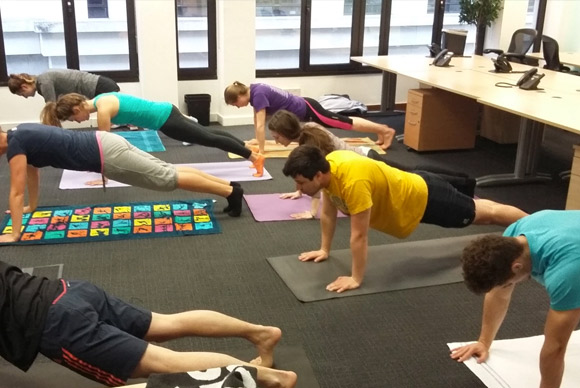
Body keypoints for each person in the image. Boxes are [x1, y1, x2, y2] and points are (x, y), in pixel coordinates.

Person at [0, 260, 297, 388]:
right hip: (67, 290)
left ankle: (274, 379)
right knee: (166, 323)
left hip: (56, 323)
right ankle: (261, 334)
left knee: (166, 363)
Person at [282, 145, 528, 293]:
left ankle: (535, 226)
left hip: (426, 199)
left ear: (317, 174)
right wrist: (324, 249)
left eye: (301, 182)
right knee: (480, 208)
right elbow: (328, 211)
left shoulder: (352, 182)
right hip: (415, 187)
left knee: (484, 216)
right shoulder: (330, 168)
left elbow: (359, 235)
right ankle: (535, 222)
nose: (299, 188)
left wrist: (356, 278)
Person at [0, 123, 245, 243]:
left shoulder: (16, 145)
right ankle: (229, 186)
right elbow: (32, 174)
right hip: (104, 140)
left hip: (107, 155)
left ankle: (229, 192)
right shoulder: (20, 133)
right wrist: (32, 207)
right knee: (167, 170)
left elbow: (15, 191)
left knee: (166, 179)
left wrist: (15, 233)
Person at [450, 210, 580, 388]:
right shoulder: (514, 237)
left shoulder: (566, 272)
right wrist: (484, 342)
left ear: (517, 267)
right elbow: (498, 293)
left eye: (506, 283)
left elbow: (556, 347)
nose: (506, 286)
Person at [268, 110, 476, 219]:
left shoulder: (310, 145)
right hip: (364, 156)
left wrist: (312, 212)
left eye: (277, 137)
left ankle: (463, 183)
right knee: (415, 172)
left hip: (367, 162)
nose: (276, 141)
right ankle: (464, 182)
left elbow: (318, 180)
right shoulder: (309, 128)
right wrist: (298, 191)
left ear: (287, 133)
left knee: (416, 176)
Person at [40, 92, 266, 177]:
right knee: (206, 134)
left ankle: (254, 157)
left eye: (72, 119)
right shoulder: (101, 99)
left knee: (207, 139)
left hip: (165, 119)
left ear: (77, 109)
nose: (77, 122)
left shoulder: (102, 110)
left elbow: (104, 146)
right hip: (165, 112)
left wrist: (103, 176)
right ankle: (250, 149)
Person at [223, 81, 396, 155]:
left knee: (343, 123)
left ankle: (385, 130)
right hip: (304, 107)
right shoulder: (255, 90)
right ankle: (382, 130)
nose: (237, 106)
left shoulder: (258, 94)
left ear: (239, 95)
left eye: (235, 103)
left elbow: (261, 125)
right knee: (342, 123)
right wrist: (257, 140)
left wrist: (261, 150)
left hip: (308, 109)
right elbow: (257, 121)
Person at [8, 70, 120, 103]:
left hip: (101, 86)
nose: (25, 97)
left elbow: (51, 110)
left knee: (117, 120)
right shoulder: (42, 85)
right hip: (101, 86)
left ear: (24, 87)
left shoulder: (44, 82)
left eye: (22, 95)